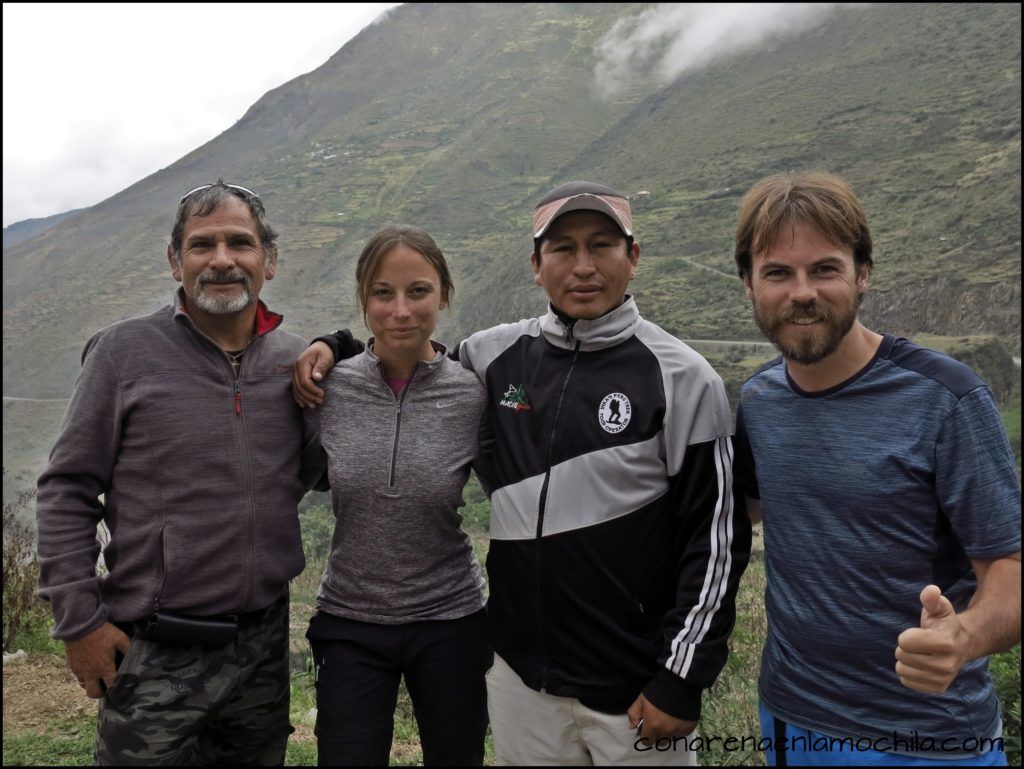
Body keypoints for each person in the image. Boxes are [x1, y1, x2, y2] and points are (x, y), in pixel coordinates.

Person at [294, 181, 752, 765]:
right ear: (537, 266)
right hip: (519, 680)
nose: (582, 266)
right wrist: (333, 344)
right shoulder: (491, 357)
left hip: (633, 679)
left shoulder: (685, 377)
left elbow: (716, 538)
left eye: (602, 245)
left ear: (633, 257)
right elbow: (406, 354)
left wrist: (681, 679)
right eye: (562, 248)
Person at [35, 181, 335, 765]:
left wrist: (342, 352)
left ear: (267, 261)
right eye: (203, 245)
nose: (222, 260)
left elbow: (320, 472)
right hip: (154, 649)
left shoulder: (292, 362)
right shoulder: (123, 354)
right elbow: (67, 489)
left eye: (239, 243)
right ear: (177, 261)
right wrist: (79, 624)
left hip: (263, 649)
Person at [732, 171, 1021, 766]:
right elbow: (747, 514)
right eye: (778, 273)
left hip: (927, 739)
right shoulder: (759, 400)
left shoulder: (946, 398)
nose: (802, 292)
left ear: (863, 272)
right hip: (789, 717)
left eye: (825, 269)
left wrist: (960, 637)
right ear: (749, 284)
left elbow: (1010, 565)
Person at [307, 225, 491, 766]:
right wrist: (328, 340)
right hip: (349, 619)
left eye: (418, 291)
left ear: (443, 296)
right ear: (363, 300)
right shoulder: (328, 388)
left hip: (452, 619)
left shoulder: (471, 392)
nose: (400, 310)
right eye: (382, 293)